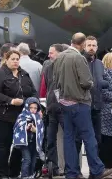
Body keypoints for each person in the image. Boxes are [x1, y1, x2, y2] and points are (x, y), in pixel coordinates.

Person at [53, 32, 112, 179]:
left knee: (69, 138)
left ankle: (72, 172)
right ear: (82, 44)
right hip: (80, 103)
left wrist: (60, 99)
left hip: (64, 103)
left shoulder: (59, 57)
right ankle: (97, 170)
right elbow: (86, 82)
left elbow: (55, 82)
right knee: (89, 137)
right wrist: (93, 84)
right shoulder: (79, 58)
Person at [0, 50, 37, 179]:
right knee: (3, 145)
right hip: (2, 115)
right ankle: (2, 174)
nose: (15, 61)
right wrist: (11, 101)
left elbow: (33, 92)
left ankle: (13, 172)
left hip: (20, 116)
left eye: (17, 59)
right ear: (6, 59)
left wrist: (32, 103)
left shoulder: (24, 75)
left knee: (19, 145)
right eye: (13, 59)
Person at [43, 44, 67, 176]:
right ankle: (53, 166)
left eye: (51, 53)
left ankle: (69, 166)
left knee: (68, 138)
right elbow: (48, 87)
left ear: (59, 53)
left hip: (64, 108)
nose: (49, 55)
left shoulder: (66, 67)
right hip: (51, 108)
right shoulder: (48, 68)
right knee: (50, 139)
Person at [13, 97, 44, 179]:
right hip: (25, 144)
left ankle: (31, 174)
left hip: (34, 143)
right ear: (27, 107)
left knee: (33, 161)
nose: (33, 110)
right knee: (27, 159)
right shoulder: (22, 116)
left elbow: (41, 130)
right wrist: (25, 128)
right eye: (31, 107)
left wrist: (35, 130)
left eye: (35, 108)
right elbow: (17, 127)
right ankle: (24, 175)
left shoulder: (38, 118)